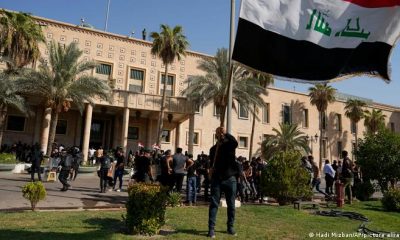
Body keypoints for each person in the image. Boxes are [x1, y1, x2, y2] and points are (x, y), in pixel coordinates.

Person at [208, 127, 239, 238]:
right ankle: (211, 229)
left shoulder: (229, 146)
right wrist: (210, 170)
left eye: (222, 134)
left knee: (231, 205)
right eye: (219, 134)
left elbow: (235, 142)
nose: (220, 135)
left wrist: (226, 133)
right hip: (217, 179)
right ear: (216, 136)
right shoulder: (213, 150)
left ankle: (230, 227)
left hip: (230, 179)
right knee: (214, 204)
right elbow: (212, 164)